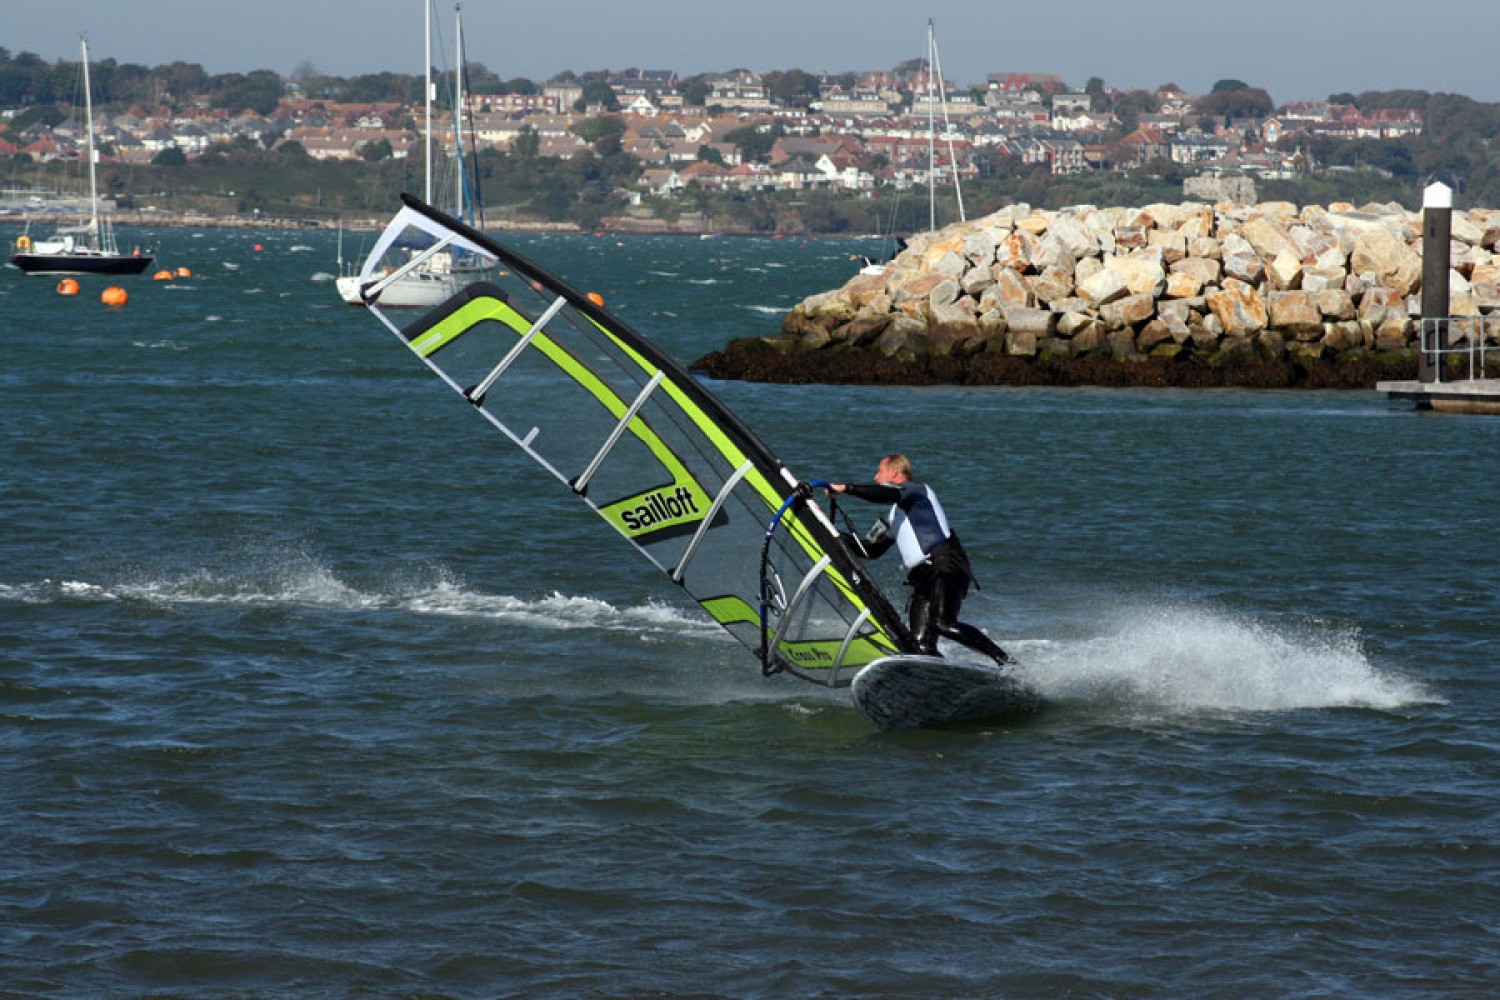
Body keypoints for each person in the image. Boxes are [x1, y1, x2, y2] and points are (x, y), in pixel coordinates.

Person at [829, 454, 1011, 667]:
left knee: (943, 623)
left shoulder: (918, 491)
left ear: (895, 473)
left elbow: (885, 494)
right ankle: (943, 679)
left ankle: (1007, 663)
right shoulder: (893, 516)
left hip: (946, 565)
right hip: (923, 578)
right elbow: (870, 550)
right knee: (919, 646)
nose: (875, 476)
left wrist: (846, 488)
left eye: (880, 471)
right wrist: (828, 528)